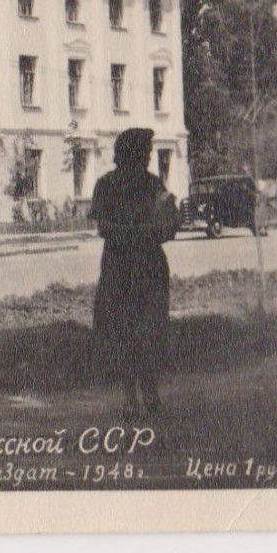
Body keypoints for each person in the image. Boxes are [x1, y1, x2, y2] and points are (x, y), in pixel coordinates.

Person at [89, 127, 183, 418]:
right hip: (122, 267)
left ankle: (150, 394)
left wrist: (170, 218)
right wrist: (143, 232)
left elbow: (169, 229)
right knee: (123, 331)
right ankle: (131, 397)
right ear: (129, 153)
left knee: (150, 330)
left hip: (147, 268)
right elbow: (103, 227)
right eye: (144, 151)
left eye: (149, 152)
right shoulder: (106, 185)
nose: (147, 157)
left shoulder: (153, 184)